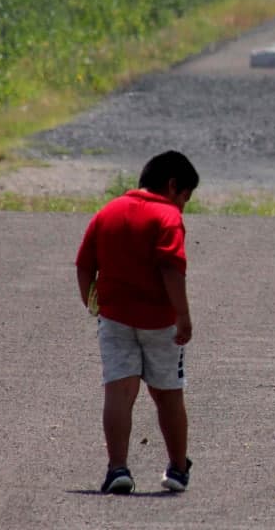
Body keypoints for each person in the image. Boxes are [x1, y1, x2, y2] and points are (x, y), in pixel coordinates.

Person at [76, 150, 200, 494]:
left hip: (115, 318)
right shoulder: (167, 217)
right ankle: (177, 468)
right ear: (173, 185)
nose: (183, 207)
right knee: (168, 395)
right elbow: (170, 268)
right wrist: (184, 315)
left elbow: (84, 264)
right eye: (185, 198)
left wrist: (93, 304)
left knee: (119, 391)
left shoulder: (108, 212)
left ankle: (117, 468)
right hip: (159, 322)